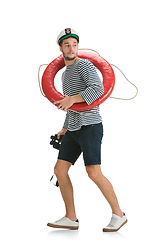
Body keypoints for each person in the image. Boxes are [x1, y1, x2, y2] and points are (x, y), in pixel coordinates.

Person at [47, 28, 127, 232]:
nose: (71, 48)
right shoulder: (65, 74)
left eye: (74, 44)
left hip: (90, 126)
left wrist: (72, 98)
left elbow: (97, 89)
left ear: (78, 47)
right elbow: (70, 105)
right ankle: (71, 218)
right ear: (61, 48)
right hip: (73, 128)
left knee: (93, 173)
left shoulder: (84, 65)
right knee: (60, 170)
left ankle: (119, 214)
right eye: (67, 45)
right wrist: (64, 128)